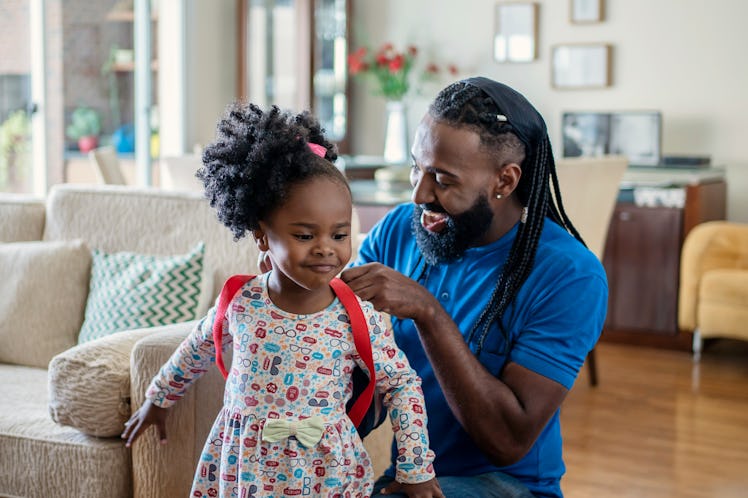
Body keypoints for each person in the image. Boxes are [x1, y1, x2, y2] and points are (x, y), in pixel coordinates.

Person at [121, 103, 443, 498]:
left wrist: (416, 469)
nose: (326, 249)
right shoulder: (239, 301)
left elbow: (403, 384)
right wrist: (158, 398)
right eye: (306, 236)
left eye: (339, 235)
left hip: (328, 473)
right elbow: (198, 347)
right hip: (247, 470)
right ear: (262, 237)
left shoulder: (358, 315)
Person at [341, 77, 608, 498]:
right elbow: (350, 365)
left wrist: (428, 314)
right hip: (411, 477)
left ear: (504, 181)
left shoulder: (569, 275)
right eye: (416, 167)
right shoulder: (398, 232)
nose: (418, 194)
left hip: (510, 486)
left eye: (443, 180)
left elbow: (508, 441)